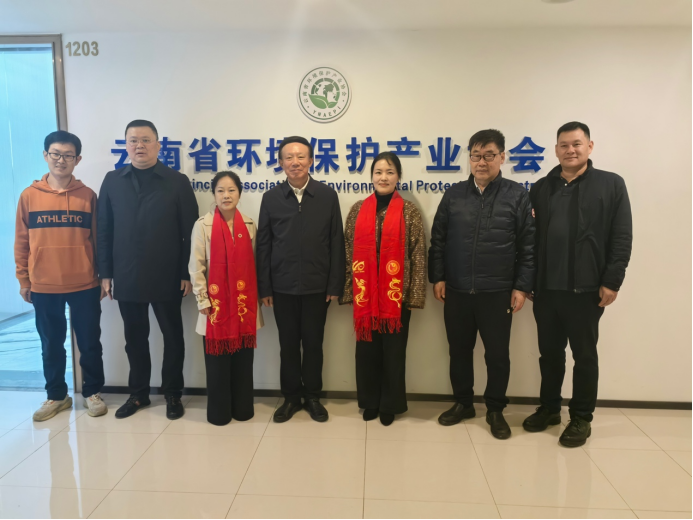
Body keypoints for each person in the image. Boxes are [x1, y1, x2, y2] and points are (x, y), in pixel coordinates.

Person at [523, 122, 632, 448]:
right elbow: (529, 238)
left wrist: (612, 280)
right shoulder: (541, 187)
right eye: (564, 145)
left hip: (586, 290)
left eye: (577, 144)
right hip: (546, 290)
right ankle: (549, 409)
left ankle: (582, 417)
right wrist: (528, 280)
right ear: (556, 149)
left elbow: (621, 236)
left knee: (584, 356)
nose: (570, 150)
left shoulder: (611, 184)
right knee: (549, 355)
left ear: (589, 146)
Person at [429, 129, 535, 440]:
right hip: (457, 290)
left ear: (502, 157)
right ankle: (463, 403)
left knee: (497, 355)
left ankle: (495, 409)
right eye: (476, 155)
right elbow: (438, 240)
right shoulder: (454, 195)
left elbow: (528, 246)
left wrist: (521, 287)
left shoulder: (517, 195)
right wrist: (439, 277)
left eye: (489, 155)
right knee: (459, 352)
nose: (481, 162)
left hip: (497, 292)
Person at [98, 120, 198, 420]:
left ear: (158, 144)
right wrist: (106, 273)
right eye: (133, 140)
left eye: (145, 139)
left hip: (168, 274)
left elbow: (190, 231)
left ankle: (172, 394)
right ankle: (139, 394)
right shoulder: (112, 180)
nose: (139, 145)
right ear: (126, 145)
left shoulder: (176, 181)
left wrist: (186, 273)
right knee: (135, 339)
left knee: (173, 337)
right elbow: (104, 230)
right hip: (126, 274)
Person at [15, 130, 107, 421]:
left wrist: (103, 277)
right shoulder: (29, 196)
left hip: (85, 283)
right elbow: (22, 241)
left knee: (90, 343)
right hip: (44, 285)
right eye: (55, 154)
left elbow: (99, 239)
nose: (61, 160)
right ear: (46, 155)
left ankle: (92, 392)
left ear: (77, 160)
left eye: (68, 155)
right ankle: (57, 396)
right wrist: (24, 279)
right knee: (51, 344)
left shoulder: (88, 196)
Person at [256, 136, 346, 423]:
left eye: (301, 157)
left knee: (314, 344)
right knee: (288, 345)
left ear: (311, 160)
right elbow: (264, 246)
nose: (295, 162)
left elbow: (336, 241)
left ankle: (313, 397)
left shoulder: (327, 196)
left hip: (317, 287)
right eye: (289, 157)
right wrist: (264, 287)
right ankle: (291, 397)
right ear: (281, 162)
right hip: (281, 287)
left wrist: (335, 284)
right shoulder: (271, 198)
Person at [340, 152, 426, 426]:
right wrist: (350, 289)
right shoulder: (357, 210)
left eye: (389, 172)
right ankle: (370, 401)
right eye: (378, 172)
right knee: (367, 351)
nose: (383, 177)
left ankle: (390, 404)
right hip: (365, 294)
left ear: (398, 176)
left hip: (396, 296)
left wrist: (414, 294)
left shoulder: (409, 211)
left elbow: (418, 253)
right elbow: (348, 251)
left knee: (393, 353)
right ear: (371, 177)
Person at [189, 170, 264, 426]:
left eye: (232, 190)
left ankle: (242, 408)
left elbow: (256, 264)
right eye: (220, 190)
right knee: (217, 364)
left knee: (243, 362)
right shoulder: (203, 225)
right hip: (215, 306)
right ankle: (219, 412)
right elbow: (196, 266)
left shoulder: (250, 225)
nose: (226, 195)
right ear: (213, 194)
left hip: (243, 305)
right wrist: (202, 299)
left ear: (239, 193)